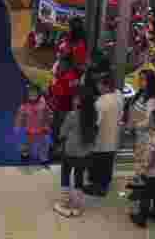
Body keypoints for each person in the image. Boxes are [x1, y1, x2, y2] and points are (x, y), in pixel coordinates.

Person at [55, 85, 98, 218]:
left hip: (70, 152)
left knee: (65, 174)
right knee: (79, 176)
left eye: (75, 98)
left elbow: (62, 132)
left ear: (80, 101)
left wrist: (60, 139)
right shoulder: (93, 114)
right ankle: (77, 205)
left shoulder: (72, 115)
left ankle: (64, 203)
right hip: (85, 154)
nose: (73, 100)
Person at [87, 74, 123, 197]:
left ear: (105, 86)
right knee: (108, 163)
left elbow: (95, 123)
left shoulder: (100, 103)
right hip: (114, 137)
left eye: (99, 84)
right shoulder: (118, 96)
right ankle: (104, 186)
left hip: (101, 139)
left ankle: (97, 188)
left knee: (98, 163)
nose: (98, 87)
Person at [129, 68, 155, 184]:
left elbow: (149, 121)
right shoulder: (140, 95)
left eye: (143, 79)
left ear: (150, 81)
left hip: (147, 137)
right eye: (140, 79)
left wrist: (134, 125)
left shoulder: (152, 100)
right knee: (139, 164)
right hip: (139, 136)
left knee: (144, 166)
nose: (140, 81)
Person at [48, 53, 82, 159]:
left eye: (61, 62)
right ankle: (57, 149)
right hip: (59, 107)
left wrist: (52, 89)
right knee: (56, 129)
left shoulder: (69, 76)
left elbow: (66, 92)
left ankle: (59, 151)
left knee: (60, 130)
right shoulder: (63, 74)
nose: (59, 64)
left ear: (67, 64)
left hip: (65, 108)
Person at [14, 84, 51, 163]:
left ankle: (43, 157)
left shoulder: (43, 104)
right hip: (29, 129)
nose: (32, 96)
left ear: (38, 94)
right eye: (30, 94)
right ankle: (25, 153)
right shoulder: (24, 105)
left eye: (34, 94)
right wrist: (17, 125)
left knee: (42, 144)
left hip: (40, 129)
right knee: (27, 143)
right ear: (27, 95)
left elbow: (47, 116)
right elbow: (20, 116)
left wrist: (46, 126)